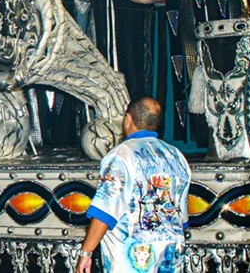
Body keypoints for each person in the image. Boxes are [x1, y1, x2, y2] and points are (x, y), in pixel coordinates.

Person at [76, 97, 191, 273]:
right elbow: (181, 220)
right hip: (170, 258)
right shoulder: (177, 156)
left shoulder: (121, 156)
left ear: (128, 119)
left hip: (131, 259)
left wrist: (86, 252)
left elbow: (105, 211)